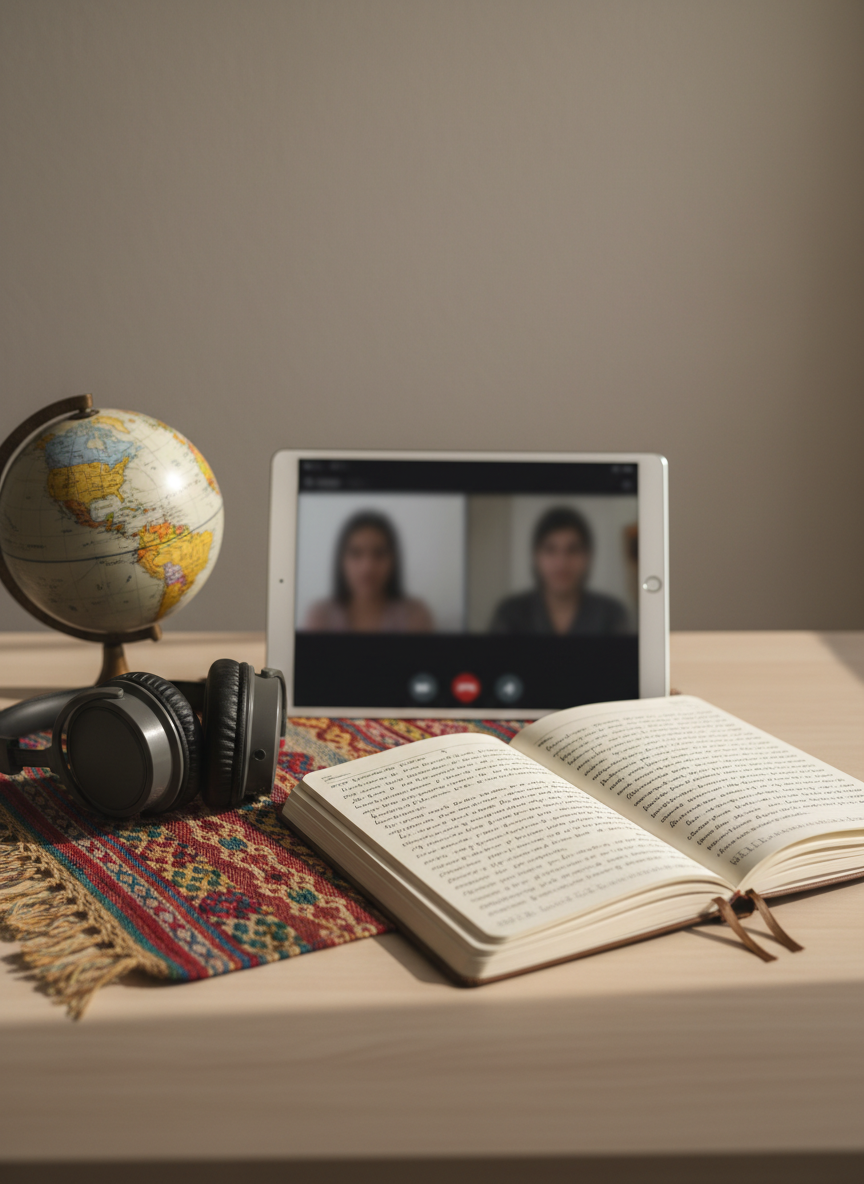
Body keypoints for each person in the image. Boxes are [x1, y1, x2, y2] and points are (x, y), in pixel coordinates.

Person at [489, 506, 630, 635]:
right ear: (535, 557)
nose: (561, 563)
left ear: (588, 557)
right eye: (550, 550)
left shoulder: (611, 614)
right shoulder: (510, 613)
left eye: (573, 550)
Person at [304, 511, 434, 632]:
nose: (367, 567)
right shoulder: (320, 616)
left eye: (379, 553)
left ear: (393, 560)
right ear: (341, 560)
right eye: (356, 553)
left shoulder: (415, 615)